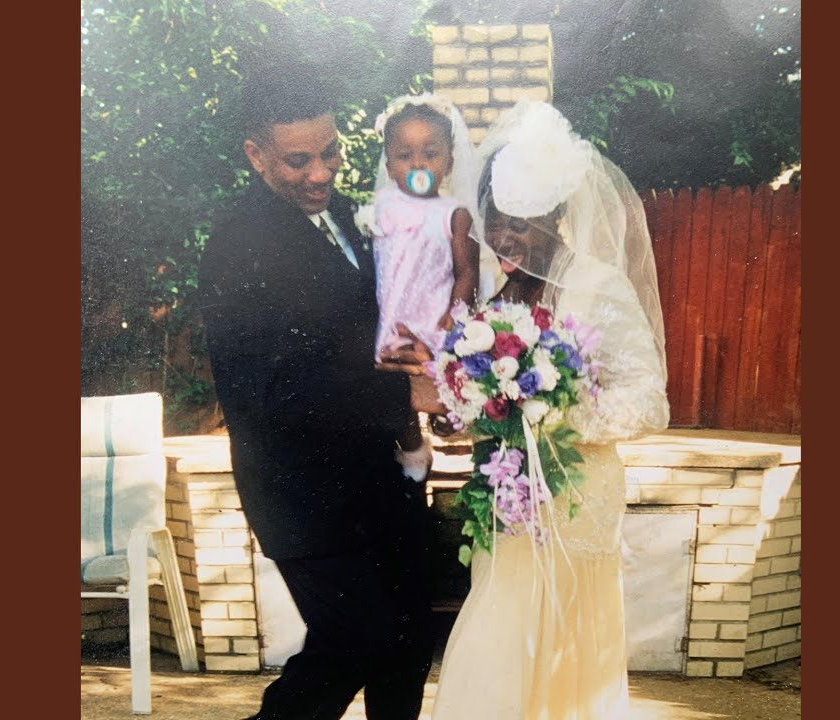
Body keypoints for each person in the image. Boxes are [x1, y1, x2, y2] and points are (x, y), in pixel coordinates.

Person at [380, 100, 670, 720]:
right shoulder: (497, 291)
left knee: (561, 643)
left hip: (574, 497)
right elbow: (488, 402)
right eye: (496, 222)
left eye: (521, 224)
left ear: (557, 216)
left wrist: (547, 412)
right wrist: (458, 409)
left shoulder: (598, 285)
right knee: (496, 635)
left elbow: (650, 401)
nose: (505, 239)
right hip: (505, 500)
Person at [198, 62, 434, 720]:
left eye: (330, 152)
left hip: (381, 476)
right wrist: (405, 398)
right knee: (355, 639)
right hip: (302, 494)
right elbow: (271, 389)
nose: (321, 174)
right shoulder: (236, 246)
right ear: (256, 155)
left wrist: (418, 384)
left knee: (408, 641)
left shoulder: (348, 217)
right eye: (298, 160)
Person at [360, 94, 482, 479]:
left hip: (431, 315)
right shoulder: (380, 206)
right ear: (388, 164)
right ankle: (414, 448)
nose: (417, 164)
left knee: (434, 379)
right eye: (404, 155)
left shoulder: (453, 214)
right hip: (392, 311)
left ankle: (448, 425)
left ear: (448, 162)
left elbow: (467, 271)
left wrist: (455, 313)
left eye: (430, 154)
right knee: (393, 387)